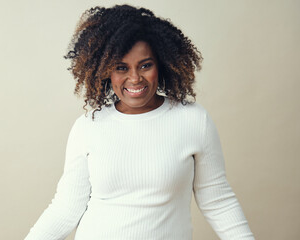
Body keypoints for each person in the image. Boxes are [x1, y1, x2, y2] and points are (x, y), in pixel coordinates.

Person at [25, 4, 255, 240]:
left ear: (162, 64)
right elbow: (65, 209)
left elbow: (218, 201)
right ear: (105, 72)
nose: (135, 78)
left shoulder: (194, 121)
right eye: (121, 68)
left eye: (145, 65)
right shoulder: (88, 127)